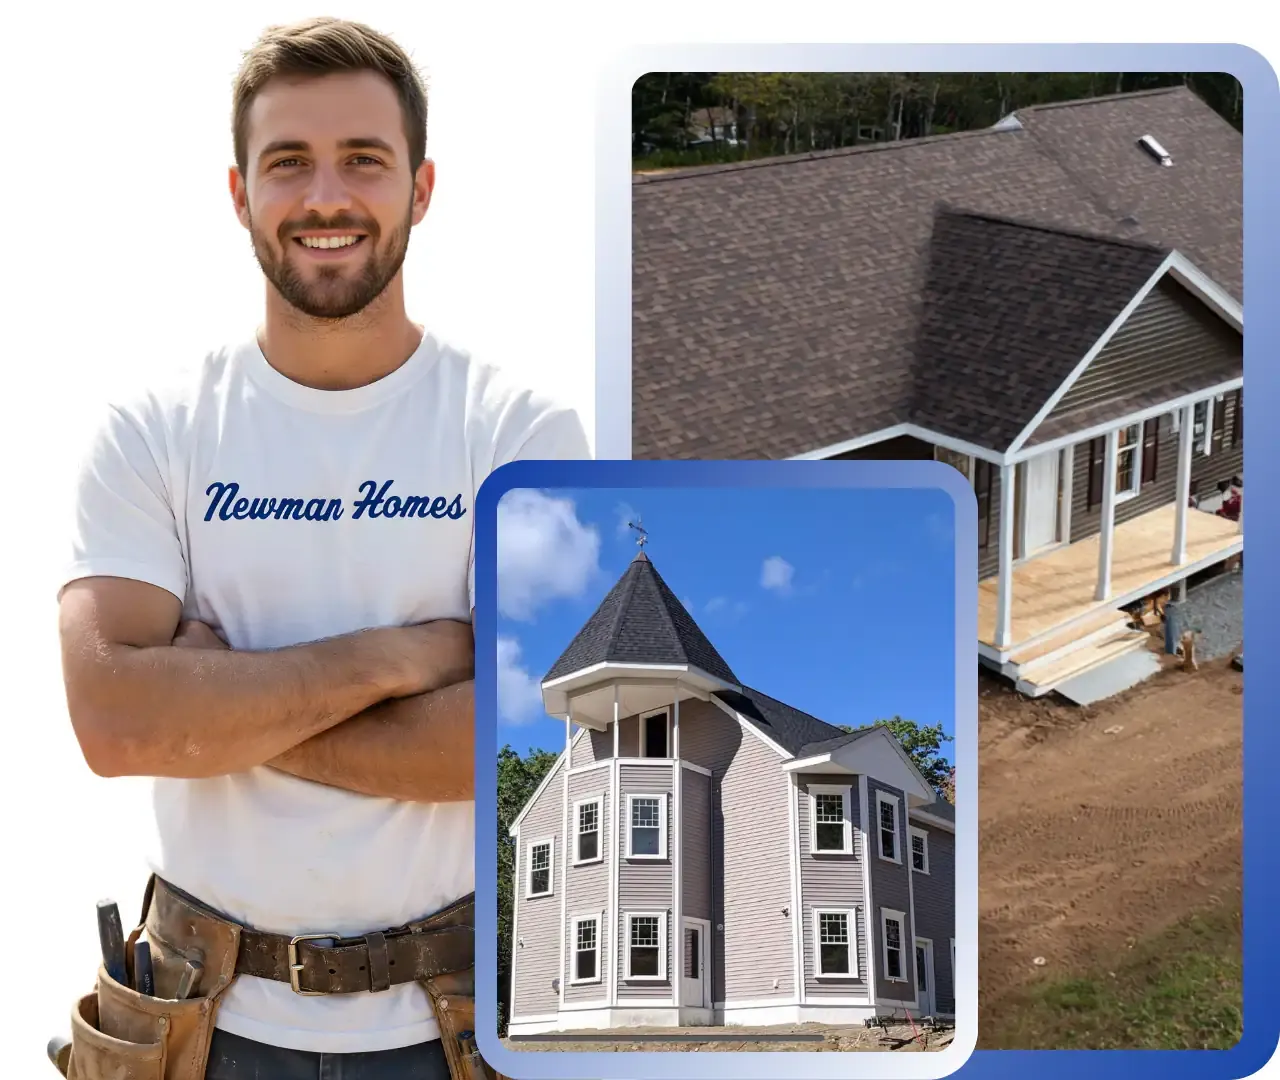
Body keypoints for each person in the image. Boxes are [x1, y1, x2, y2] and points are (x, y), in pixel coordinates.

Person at [56, 16, 589, 1080]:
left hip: (456, 1034)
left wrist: (215, 714)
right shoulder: (154, 432)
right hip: (197, 1030)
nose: (326, 196)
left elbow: (523, 746)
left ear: (421, 189)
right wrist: (401, 658)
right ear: (240, 193)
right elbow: (115, 722)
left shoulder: (518, 434)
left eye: (364, 159)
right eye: (288, 161)